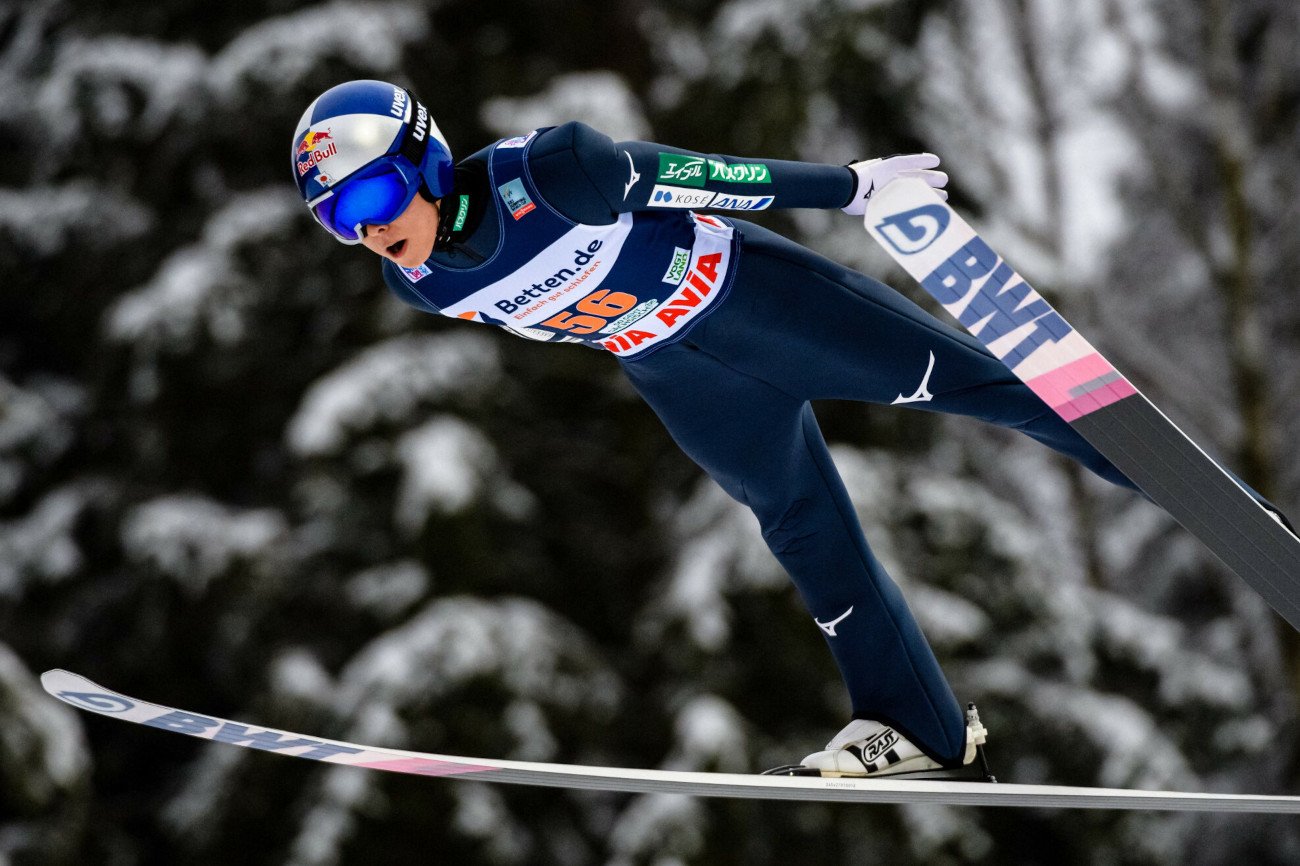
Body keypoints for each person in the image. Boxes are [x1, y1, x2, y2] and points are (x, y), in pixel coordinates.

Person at [286, 79, 1233, 778]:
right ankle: (921, 732)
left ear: (426, 159)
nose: (366, 231)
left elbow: (708, 176)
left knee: (993, 389)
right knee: (802, 525)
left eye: (370, 199)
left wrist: (852, 188)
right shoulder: (417, 281)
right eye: (338, 220)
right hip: (684, 377)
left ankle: (1217, 507)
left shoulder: (554, 171)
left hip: (764, 304)